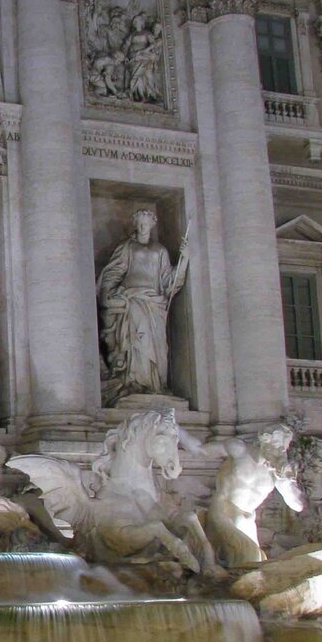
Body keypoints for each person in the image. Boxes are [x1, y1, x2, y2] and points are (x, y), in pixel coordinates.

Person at [97, 208, 188, 405]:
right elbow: (113, 272)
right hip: (134, 301)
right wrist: (107, 293)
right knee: (138, 341)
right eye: (139, 223)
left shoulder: (160, 251)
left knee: (158, 348)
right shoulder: (127, 248)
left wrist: (184, 260)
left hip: (155, 304)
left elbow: (168, 282)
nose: (142, 226)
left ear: (152, 224)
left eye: (145, 223)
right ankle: (135, 382)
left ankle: (155, 385)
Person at [197, 424, 306, 567]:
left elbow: (297, 506)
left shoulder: (275, 474)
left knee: (256, 562)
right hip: (223, 511)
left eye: (283, 448)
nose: (280, 451)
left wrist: (286, 481)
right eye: (277, 445)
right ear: (265, 441)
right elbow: (200, 450)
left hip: (247, 519)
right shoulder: (239, 450)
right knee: (249, 558)